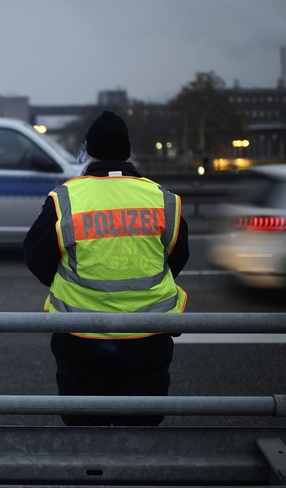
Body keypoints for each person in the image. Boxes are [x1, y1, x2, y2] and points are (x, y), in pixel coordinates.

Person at [23, 111, 189, 427]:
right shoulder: (161, 199)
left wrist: (71, 281)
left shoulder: (66, 198)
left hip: (81, 332)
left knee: (86, 426)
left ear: (89, 150)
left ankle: (93, 473)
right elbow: (177, 256)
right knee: (140, 427)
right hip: (147, 333)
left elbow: (36, 256)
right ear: (127, 150)